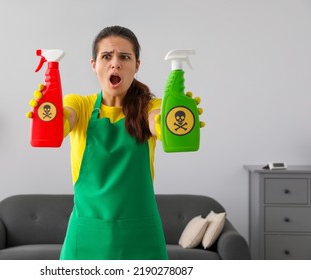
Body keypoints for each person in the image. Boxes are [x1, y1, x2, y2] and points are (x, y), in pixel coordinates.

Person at [28, 26, 203, 260]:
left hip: (140, 237)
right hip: (86, 236)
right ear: (94, 65)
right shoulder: (79, 105)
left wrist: (174, 120)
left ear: (137, 65)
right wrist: (47, 115)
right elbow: (61, 126)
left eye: (125, 57)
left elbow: (157, 122)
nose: (115, 63)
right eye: (106, 56)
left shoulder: (149, 107)